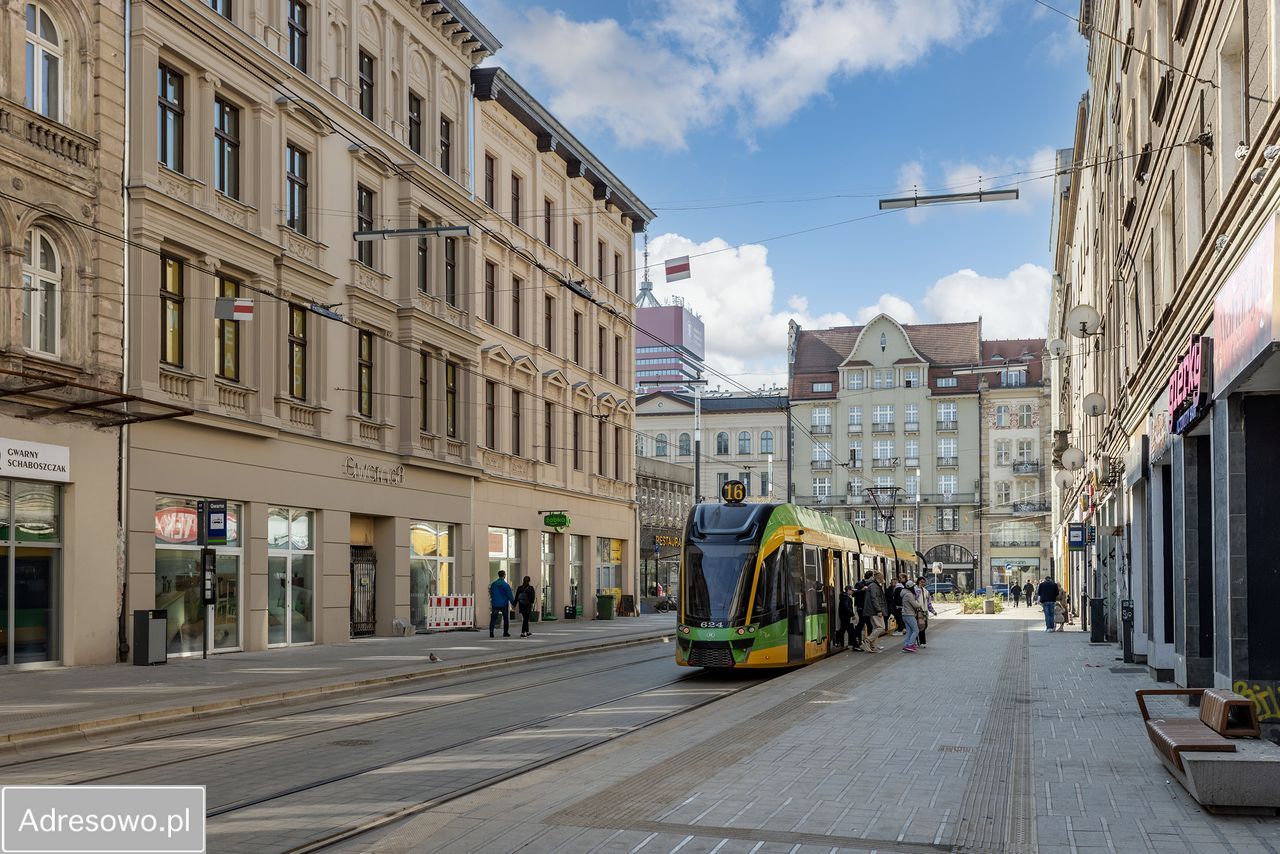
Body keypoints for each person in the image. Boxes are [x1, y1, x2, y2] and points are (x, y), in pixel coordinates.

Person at [864, 571, 889, 652]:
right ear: (879, 578)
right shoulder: (874, 586)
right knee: (881, 627)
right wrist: (879, 610)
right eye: (882, 578)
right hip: (874, 610)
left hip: (873, 610)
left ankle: (873, 647)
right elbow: (875, 599)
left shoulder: (874, 585)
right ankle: (867, 640)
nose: (883, 579)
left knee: (876, 627)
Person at [489, 570, 515, 638]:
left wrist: (493, 600)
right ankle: (505, 632)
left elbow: (491, 593)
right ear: (504, 575)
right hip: (504, 604)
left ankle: (491, 632)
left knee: (493, 618)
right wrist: (513, 603)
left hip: (495, 604)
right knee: (505, 618)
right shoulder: (506, 585)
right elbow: (509, 595)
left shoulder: (493, 584)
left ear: (498, 575)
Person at [900, 581, 923, 652]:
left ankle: (906, 646)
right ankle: (910, 645)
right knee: (916, 630)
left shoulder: (905, 593)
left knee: (909, 631)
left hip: (905, 614)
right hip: (909, 614)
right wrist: (920, 604)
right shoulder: (909, 594)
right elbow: (915, 605)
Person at [914, 576, 938, 647]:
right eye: (921, 582)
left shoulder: (925, 591)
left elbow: (929, 603)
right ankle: (919, 641)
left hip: (925, 611)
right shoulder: (915, 589)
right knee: (919, 626)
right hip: (918, 611)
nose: (923, 583)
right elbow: (913, 599)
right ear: (918, 581)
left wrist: (933, 611)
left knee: (924, 626)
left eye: (924, 582)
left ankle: (921, 641)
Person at [837, 585, 856, 650]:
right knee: (851, 631)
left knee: (843, 629)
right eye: (852, 590)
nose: (853, 592)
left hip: (845, 616)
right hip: (846, 616)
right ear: (848, 590)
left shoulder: (844, 597)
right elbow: (846, 607)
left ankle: (839, 641)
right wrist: (852, 614)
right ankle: (854, 645)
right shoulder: (845, 598)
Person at [852, 577, 869, 650]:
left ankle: (859, 641)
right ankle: (858, 641)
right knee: (861, 624)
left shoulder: (865, 584)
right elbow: (854, 593)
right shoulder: (860, 584)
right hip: (861, 608)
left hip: (863, 607)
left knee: (862, 624)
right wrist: (862, 590)